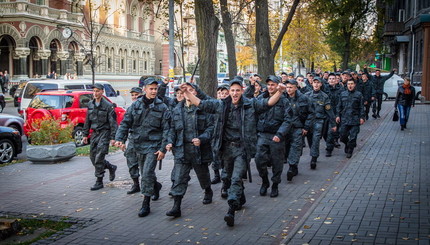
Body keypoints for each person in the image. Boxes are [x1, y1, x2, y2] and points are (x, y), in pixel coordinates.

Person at [180, 78, 284, 227]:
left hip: (242, 149)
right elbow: (201, 104)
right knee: (227, 179)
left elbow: (268, 103)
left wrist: (279, 91)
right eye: (232, 90)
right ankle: (240, 198)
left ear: (242, 91)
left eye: (237, 90)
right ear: (229, 92)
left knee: (236, 179)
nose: (235, 93)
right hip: (226, 149)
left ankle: (231, 210)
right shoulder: (221, 105)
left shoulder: (251, 104)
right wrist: (187, 93)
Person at [115, 79, 170, 217]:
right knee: (145, 172)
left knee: (146, 174)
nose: (153, 91)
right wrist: (120, 139)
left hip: (153, 146)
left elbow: (167, 130)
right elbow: (125, 123)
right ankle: (156, 186)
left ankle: (146, 203)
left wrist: (163, 149)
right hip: (138, 145)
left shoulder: (162, 107)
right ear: (144, 89)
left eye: (155, 89)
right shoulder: (135, 106)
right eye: (151, 89)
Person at [165, 84, 214, 218]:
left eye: (190, 90)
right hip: (182, 149)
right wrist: (169, 142)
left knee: (202, 174)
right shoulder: (177, 110)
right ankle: (176, 206)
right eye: (184, 91)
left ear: (195, 93)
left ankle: (208, 190)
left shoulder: (203, 109)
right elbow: (173, 129)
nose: (187, 93)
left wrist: (202, 139)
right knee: (179, 177)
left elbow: (211, 128)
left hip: (198, 149)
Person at [254, 75, 292, 198]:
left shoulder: (284, 101)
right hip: (263, 134)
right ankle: (265, 181)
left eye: (273, 85)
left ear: (278, 86)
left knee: (277, 162)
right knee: (259, 160)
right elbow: (254, 116)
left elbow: (288, 120)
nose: (270, 87)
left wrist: (280, 134)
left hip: (276, 136)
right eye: (269, 84)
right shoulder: (261, 98)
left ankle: (275, 184)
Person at [82, 83, 118, 191]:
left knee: (99, 157)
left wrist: (113, 137)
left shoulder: (108, 106)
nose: (95, 93)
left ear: (102, 92)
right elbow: (87, 120)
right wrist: (85, 134)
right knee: (93, 157)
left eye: (97, 91)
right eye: (94, 91)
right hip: (94, 133)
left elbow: (113, 123)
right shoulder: (90, 104)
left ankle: (99, 181)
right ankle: (110, 167)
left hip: (104, 133)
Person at [283, 80, 314, 181]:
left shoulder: (304, 98)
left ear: (296, 87)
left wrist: (306, 127)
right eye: (287, 87)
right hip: (285, 128)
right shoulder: (282, 98)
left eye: (291, 87)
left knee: (295, 147)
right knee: (286, 149)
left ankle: (292, 167)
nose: (288, 89)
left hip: (298, 127)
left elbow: (311, 113)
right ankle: (294, 165)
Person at [305, 77, 336, 169]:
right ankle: (313, 152)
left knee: (316, 139)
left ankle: (313, 158)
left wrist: (333, 124)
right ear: (312, 84)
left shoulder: (324, 96)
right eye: (314, 82)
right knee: (310, 140)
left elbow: (329, 111)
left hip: (319, 121)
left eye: (318, 83)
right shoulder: (306, 95)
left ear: (321, 84)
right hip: (308, 122)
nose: (316, 84)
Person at [336, 79, 365, 158]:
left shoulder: (358, 95)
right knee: (342, 136)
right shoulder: (343, 94)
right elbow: (339, 106)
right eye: (349, 84)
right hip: (344, 118)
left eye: (352, 84)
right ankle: (347, 144)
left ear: (355, 84)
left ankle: (350, 150)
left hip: (355, 118)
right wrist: (337, 115)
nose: (350, 85)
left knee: (353, 136)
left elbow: (361, 107)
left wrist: (362, 117)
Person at [122, 87, 143, 194]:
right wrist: (121, 140)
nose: (134, 97)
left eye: (137, 94)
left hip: (144, 141)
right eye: (133, 95)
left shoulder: (146, 106)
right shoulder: (130, 108)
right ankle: (136, 184)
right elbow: (124, 124)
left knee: (145, 167)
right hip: (132, 139)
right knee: (131, 161)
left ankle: (153, 186)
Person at [325, 73, 343, 156]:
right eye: (330, 79)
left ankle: (329, 148)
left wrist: (338, 114)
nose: (332, 80)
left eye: (333, 79)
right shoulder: (324, 89)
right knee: (325, 133)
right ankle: (331, 142)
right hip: (325, 114)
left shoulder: (341, 90)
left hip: (335, 114)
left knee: (331, 132)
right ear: (328, 80)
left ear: (337, 80)